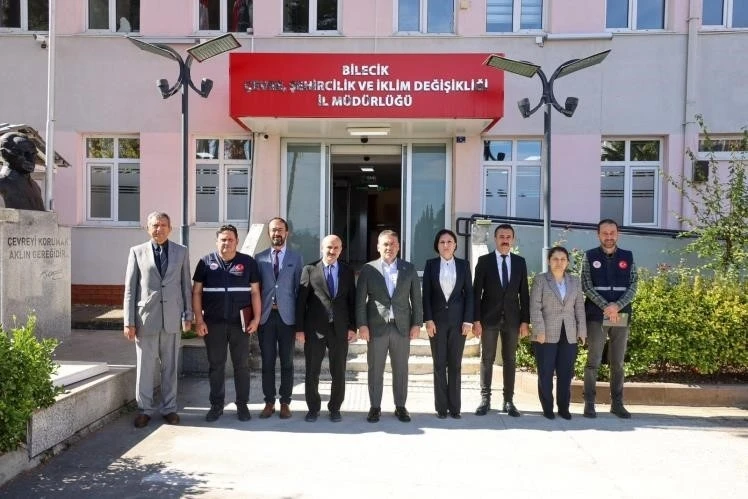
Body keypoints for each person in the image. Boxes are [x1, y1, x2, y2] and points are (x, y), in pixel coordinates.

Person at [123, 212, 193, 428]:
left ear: (170, 228)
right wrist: (128, 321)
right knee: (145, 368)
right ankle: (144, 409)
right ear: (148, 228)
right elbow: (130, 289)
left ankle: (169, 408)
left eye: (163, 225)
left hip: (172, 318)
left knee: (170, 367)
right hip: (146, 320)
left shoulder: (181, 252)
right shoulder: (137, 252)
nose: (159, 229)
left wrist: (188, 314)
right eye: (154, 225)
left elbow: (186, 286)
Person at [192, 224, 261, 422]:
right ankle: (216, 405)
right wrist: (199, 320)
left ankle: (242, 405)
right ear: (217, 241)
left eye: (230, 239)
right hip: (213, 324)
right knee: (216, 366)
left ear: (237, 241)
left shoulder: (248, 262)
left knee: (242, 366)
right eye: (223, 239)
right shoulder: (205, 262)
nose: (227, 243)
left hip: (240, 324)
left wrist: (256, 318)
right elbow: (196, 292)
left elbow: (255, 292)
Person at [356, 230, 423, 423]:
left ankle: (400, 406)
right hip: (376, 327)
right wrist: (362, 325)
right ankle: (375, 407)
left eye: (393, 244)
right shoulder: (368, 269)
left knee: (401, 369)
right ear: (378, 247)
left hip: (401, 327)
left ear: (398, 246)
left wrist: (417, 324)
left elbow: (416, 300)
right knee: (375, 369)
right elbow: (360, 301)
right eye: (385, 244)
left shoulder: (409, 269)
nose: (389, 247)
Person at [295, 234, 356, 423]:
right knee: (312, 371)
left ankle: (335, 408)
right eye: (329, 247)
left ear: (341, 250)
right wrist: (299, 329)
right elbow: (301, 302)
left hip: (339, 329)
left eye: (336, 248)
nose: (332, 251)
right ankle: (313, 408)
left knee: (339, 371)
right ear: (322, 248)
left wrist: (352, 327)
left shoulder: (347, 271)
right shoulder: (309, 269)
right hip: (315, 330)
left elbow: (352, 301)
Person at [582, 219, 638, 419]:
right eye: (604, 233)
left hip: (620, 314)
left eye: (612, 233)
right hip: (597, 315)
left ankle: (617, 403)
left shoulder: (628, 256)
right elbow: (586, 286)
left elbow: (633, 285)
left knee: (618, 362)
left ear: (617, 234)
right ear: (598, 235)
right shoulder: (589, 256)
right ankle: (589, 403)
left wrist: (617, 307)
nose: (609, 237)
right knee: (593, 361)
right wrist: (606, 306)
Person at [473, 223, 529, 417]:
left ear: (513, 239)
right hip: (488, 318)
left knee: (510, 360)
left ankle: (508, 401)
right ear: (495, 239)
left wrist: (525, 321)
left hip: (513, 320)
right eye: (501, 237)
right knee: (487, 359)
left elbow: (524, 294)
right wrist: (476, 320)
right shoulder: (484, 261)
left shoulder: (520, 262)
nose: (505, 240)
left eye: (508, 237)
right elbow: (476, 293)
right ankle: (485, 400)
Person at [529, 246, 587, 420]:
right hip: (545, 334)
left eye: (563, 259)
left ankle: (564, 408)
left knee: (566, 373)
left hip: (569, 333)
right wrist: (539, 330)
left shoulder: (574, 281)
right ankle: (547, 407)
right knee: (545, 372)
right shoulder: (541, 280)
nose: (559, 262)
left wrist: (582, 331)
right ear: (549, 261)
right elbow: (535, 307)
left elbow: (579, 307)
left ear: (567, 262)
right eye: (555, 259)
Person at [422, 229, 473, 419]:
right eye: (442, 242)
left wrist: (468, 320)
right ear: (437, 245)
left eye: (449, 241)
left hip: (459, 323)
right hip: (436, 323)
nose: (446, 245)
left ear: (455, 245)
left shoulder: (463, 265)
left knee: (455, 365)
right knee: (439, 364)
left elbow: (469, 294)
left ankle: (455, 408)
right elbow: (426, 295)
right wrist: (428, 319)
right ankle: (441, 408)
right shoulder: (431, 265)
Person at [255, 217, 302, 419]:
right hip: (266, 317)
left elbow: (299, 291)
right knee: (267, 362)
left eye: (280, 230)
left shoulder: (296, 258)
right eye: (273, 230)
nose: (277, 233)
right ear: (269, 233)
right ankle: (269, 402)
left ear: (286, 232)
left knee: (287, 362)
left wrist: (300, 323)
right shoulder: (259, 258)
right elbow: (255, 290)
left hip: (287, 318)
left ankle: (285, 402)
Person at [0, 132, 45, 210]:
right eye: (25, 154)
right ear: (5, 154)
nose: (31, 159)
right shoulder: (1, 183)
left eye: (33, 154)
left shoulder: (36, 187)